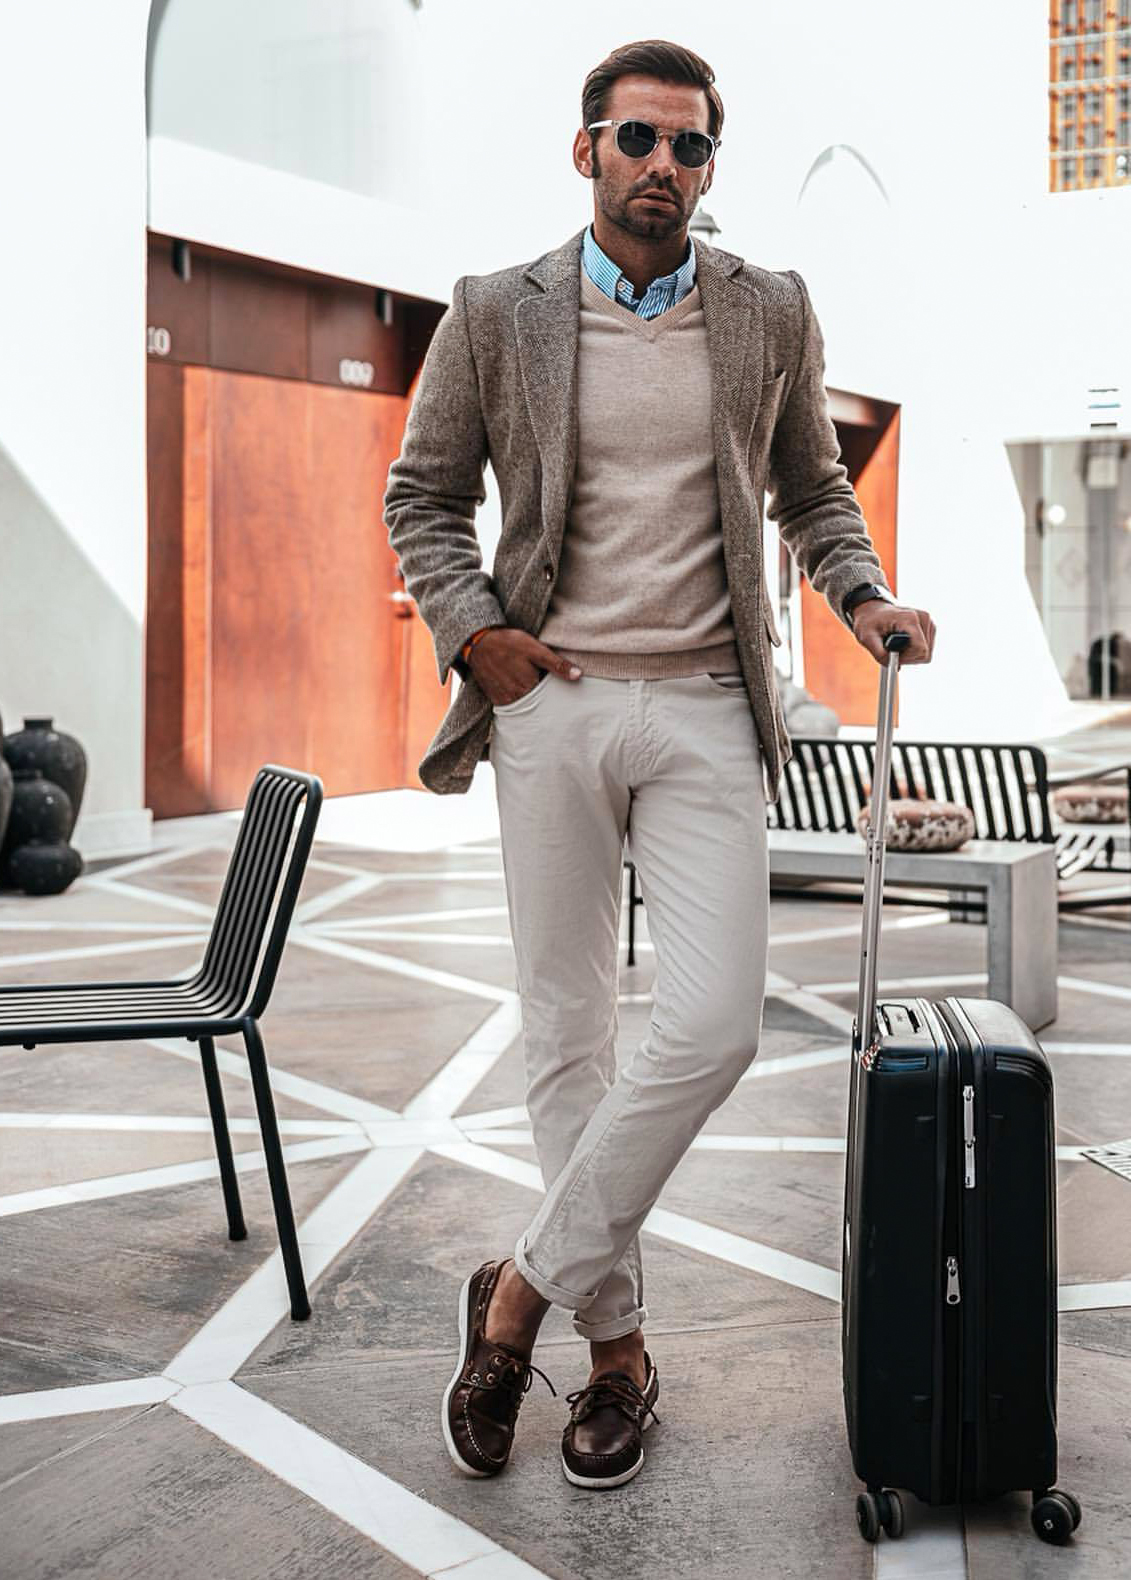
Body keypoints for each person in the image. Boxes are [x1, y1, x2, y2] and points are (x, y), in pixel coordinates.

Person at [383, 37, 935, 1491]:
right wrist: (475, 636)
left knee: (710, 1024)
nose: (664, 170)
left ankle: (514, 1298)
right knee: (567, 1038)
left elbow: (812, 489)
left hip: (701, 707)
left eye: (690, 149)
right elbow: (422, 497)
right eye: (638, 141)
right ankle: (615, 1355)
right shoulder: (496, 312)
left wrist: (862, 597)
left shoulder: (767, 310)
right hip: (549, 705)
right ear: (587, 152)